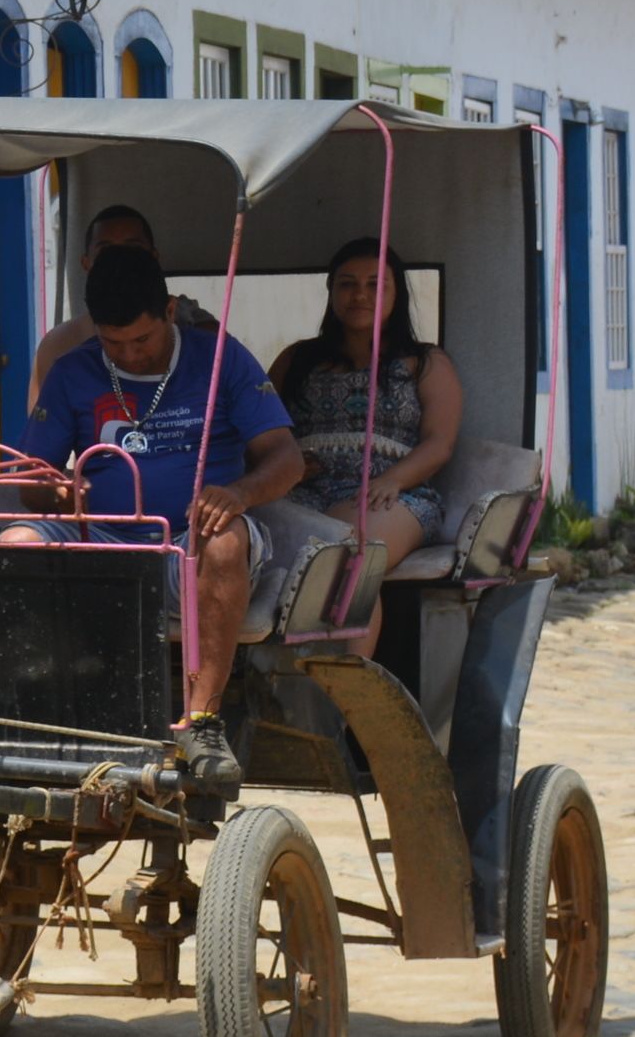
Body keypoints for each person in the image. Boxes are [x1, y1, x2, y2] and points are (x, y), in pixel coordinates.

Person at [23, 241, 304, 732]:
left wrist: (239, 493)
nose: (130, 354)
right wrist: (58, 491)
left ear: (171, 311)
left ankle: (200, 720)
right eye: (113, 343)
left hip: (187, 545)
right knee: (16, 544)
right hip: (101, 544)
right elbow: (31, 481)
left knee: (224, 542)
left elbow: (287, 458)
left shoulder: (221, 358)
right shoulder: (72, 372)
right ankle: (42, 713)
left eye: (143, 339)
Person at [271, 234, 465, 598]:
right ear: (331, 292)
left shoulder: (426, 362)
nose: (360, 295)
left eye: (376, 285)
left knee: (349, 559)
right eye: (348, 285)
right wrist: (290, 462)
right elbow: (261, 431)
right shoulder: (295, 360)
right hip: (303, 492)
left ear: (397, 295)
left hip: (389, 496)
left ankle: (346, 657)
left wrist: (392, 480)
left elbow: (440, 443)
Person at [27, 204, 215, 414]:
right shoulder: (59, 345)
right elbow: (42, 435)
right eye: (106, 250)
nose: (119, 258)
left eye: (132, 248)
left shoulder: (198, 328)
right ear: (86, 263)